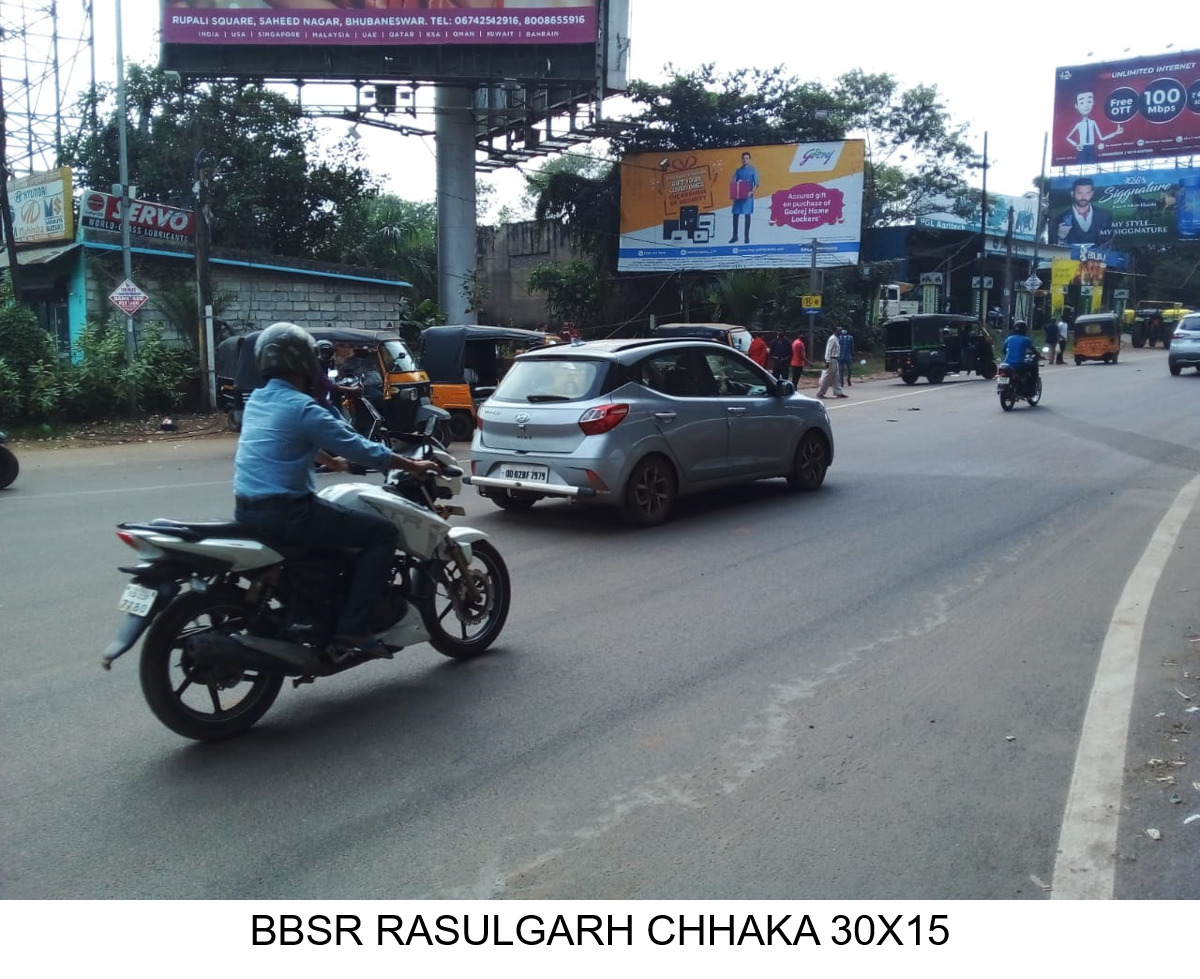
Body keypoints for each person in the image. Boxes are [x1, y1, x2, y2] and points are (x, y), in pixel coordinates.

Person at [233, 323, 439, 658]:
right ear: (305, 363)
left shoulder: (259, 399)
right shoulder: (304, 408)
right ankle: (353, 630)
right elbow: (361, 448)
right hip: (289, 512)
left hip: (247, 508)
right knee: (382, 535)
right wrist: (413, 466)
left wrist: (330, 461)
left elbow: (284, 438)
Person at [339, 344, 386, 437]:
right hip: (363, 388)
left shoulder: (375, 357)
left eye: (363, 347)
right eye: (358, 347)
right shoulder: (350, 362)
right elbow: (343, 373)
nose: (361, 349)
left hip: (380, 386)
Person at [1064, 90, 1123, 164]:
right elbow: (1068, 137)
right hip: (1082, 149)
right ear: (1076, 106)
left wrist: (1115, 133)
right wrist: (1076, 144)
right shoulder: (1079, 124)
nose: (1086, 106)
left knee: (1093, 164)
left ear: (1093, 103)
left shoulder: (1093, 122)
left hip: (1092, 148)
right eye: (1082, 103)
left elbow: (1102, 138)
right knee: (1081, 165)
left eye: (1089, 101)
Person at [1055, 177, 1115, 248]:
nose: (1083, 197)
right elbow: (1054, 249)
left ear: (1092, 194)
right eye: (1079, 193)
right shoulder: (1060, 218)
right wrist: (1061, 238)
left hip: (1099, 258)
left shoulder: (1106, 215)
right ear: (1072, 193)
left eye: (1087, 193)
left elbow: (1112, 243)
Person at [728, 151, 759, 244]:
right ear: (741, 159)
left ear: (749, 159)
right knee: (735, 215)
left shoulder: (753, 170)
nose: (745, 160)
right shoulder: (738, 170)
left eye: (746, 158)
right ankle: (735, 236)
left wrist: (751, 192)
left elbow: (757, 183)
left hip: (748, 196)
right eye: (743, 158)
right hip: (738, 196)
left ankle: (746, 237)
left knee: (747, 215)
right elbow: (733, 182)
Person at [1002, 320, 1041, 389]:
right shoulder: (1026, 340)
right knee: (1034, 367)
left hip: (1007, 364)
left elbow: (1003, 350)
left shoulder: (1009, 338)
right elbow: (1034, 350)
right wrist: (1039, 356)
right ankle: (1031, 389)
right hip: (1019, 364)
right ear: (1025, 330)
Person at [816, 328, 846, 398]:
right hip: (831, 359)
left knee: (836, 377)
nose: (840, 332)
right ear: (835, 331)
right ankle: (820, 392)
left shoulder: (837, 339)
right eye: (839, 331)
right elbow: (828, 350)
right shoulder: (832, 339)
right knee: (828, 376)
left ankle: (838, 392)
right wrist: (827, 361)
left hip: (835, 359)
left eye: (841, 331)